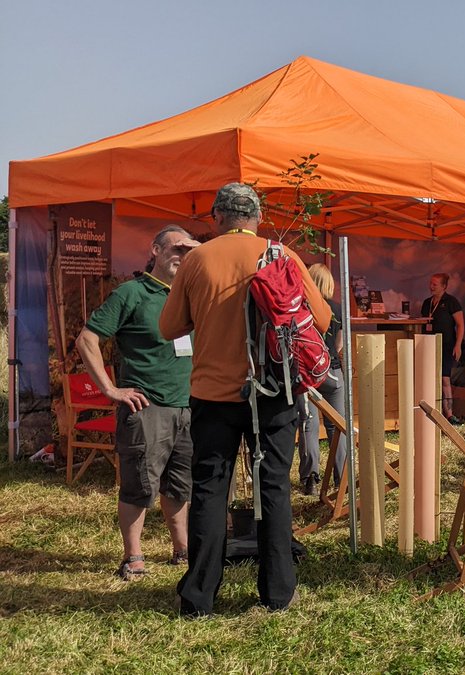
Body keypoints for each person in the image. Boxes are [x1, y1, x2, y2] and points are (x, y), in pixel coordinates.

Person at [160, 183, 330, 616]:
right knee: (273, 487)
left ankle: (198, 598)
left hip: (213, 396)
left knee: (210, 491)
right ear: (257, 218)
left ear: (218, 217)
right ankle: (277, 593)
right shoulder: (281, 254)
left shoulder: (197, 259)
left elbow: (169, 328)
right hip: (275, 393)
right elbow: (323, 320)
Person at [76, 225, 200, 580]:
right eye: (176, 248)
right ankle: (133, 556)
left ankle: (182, 549)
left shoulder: (190, 294)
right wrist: (111, 390)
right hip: (146, 408)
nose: (182, 256)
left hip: (188, 407)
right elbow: (87, 340)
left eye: (188, 251)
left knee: (180, 484)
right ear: (155, 250)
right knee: (140, 485)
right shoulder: (132, 293)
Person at [297, 263, 347, 495]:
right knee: (338, 427)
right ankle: (342, 478)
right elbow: (339, 346)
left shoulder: (301, 307)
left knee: (308, 424)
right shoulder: (337, 308)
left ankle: (311, 479)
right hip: (332, 373)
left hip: (307, 373)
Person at [422, 272, 465, 424]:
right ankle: (429, 412)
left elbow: (460, 325)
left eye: (435, 284)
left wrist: (458, 345)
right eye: (430, 283)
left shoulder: (452, 302)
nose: (431, 287)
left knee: (444, 379)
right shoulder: (427, 303)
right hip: (428, 345)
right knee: (428, 378)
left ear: (444, 287)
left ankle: (449, 415)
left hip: (446, 346)